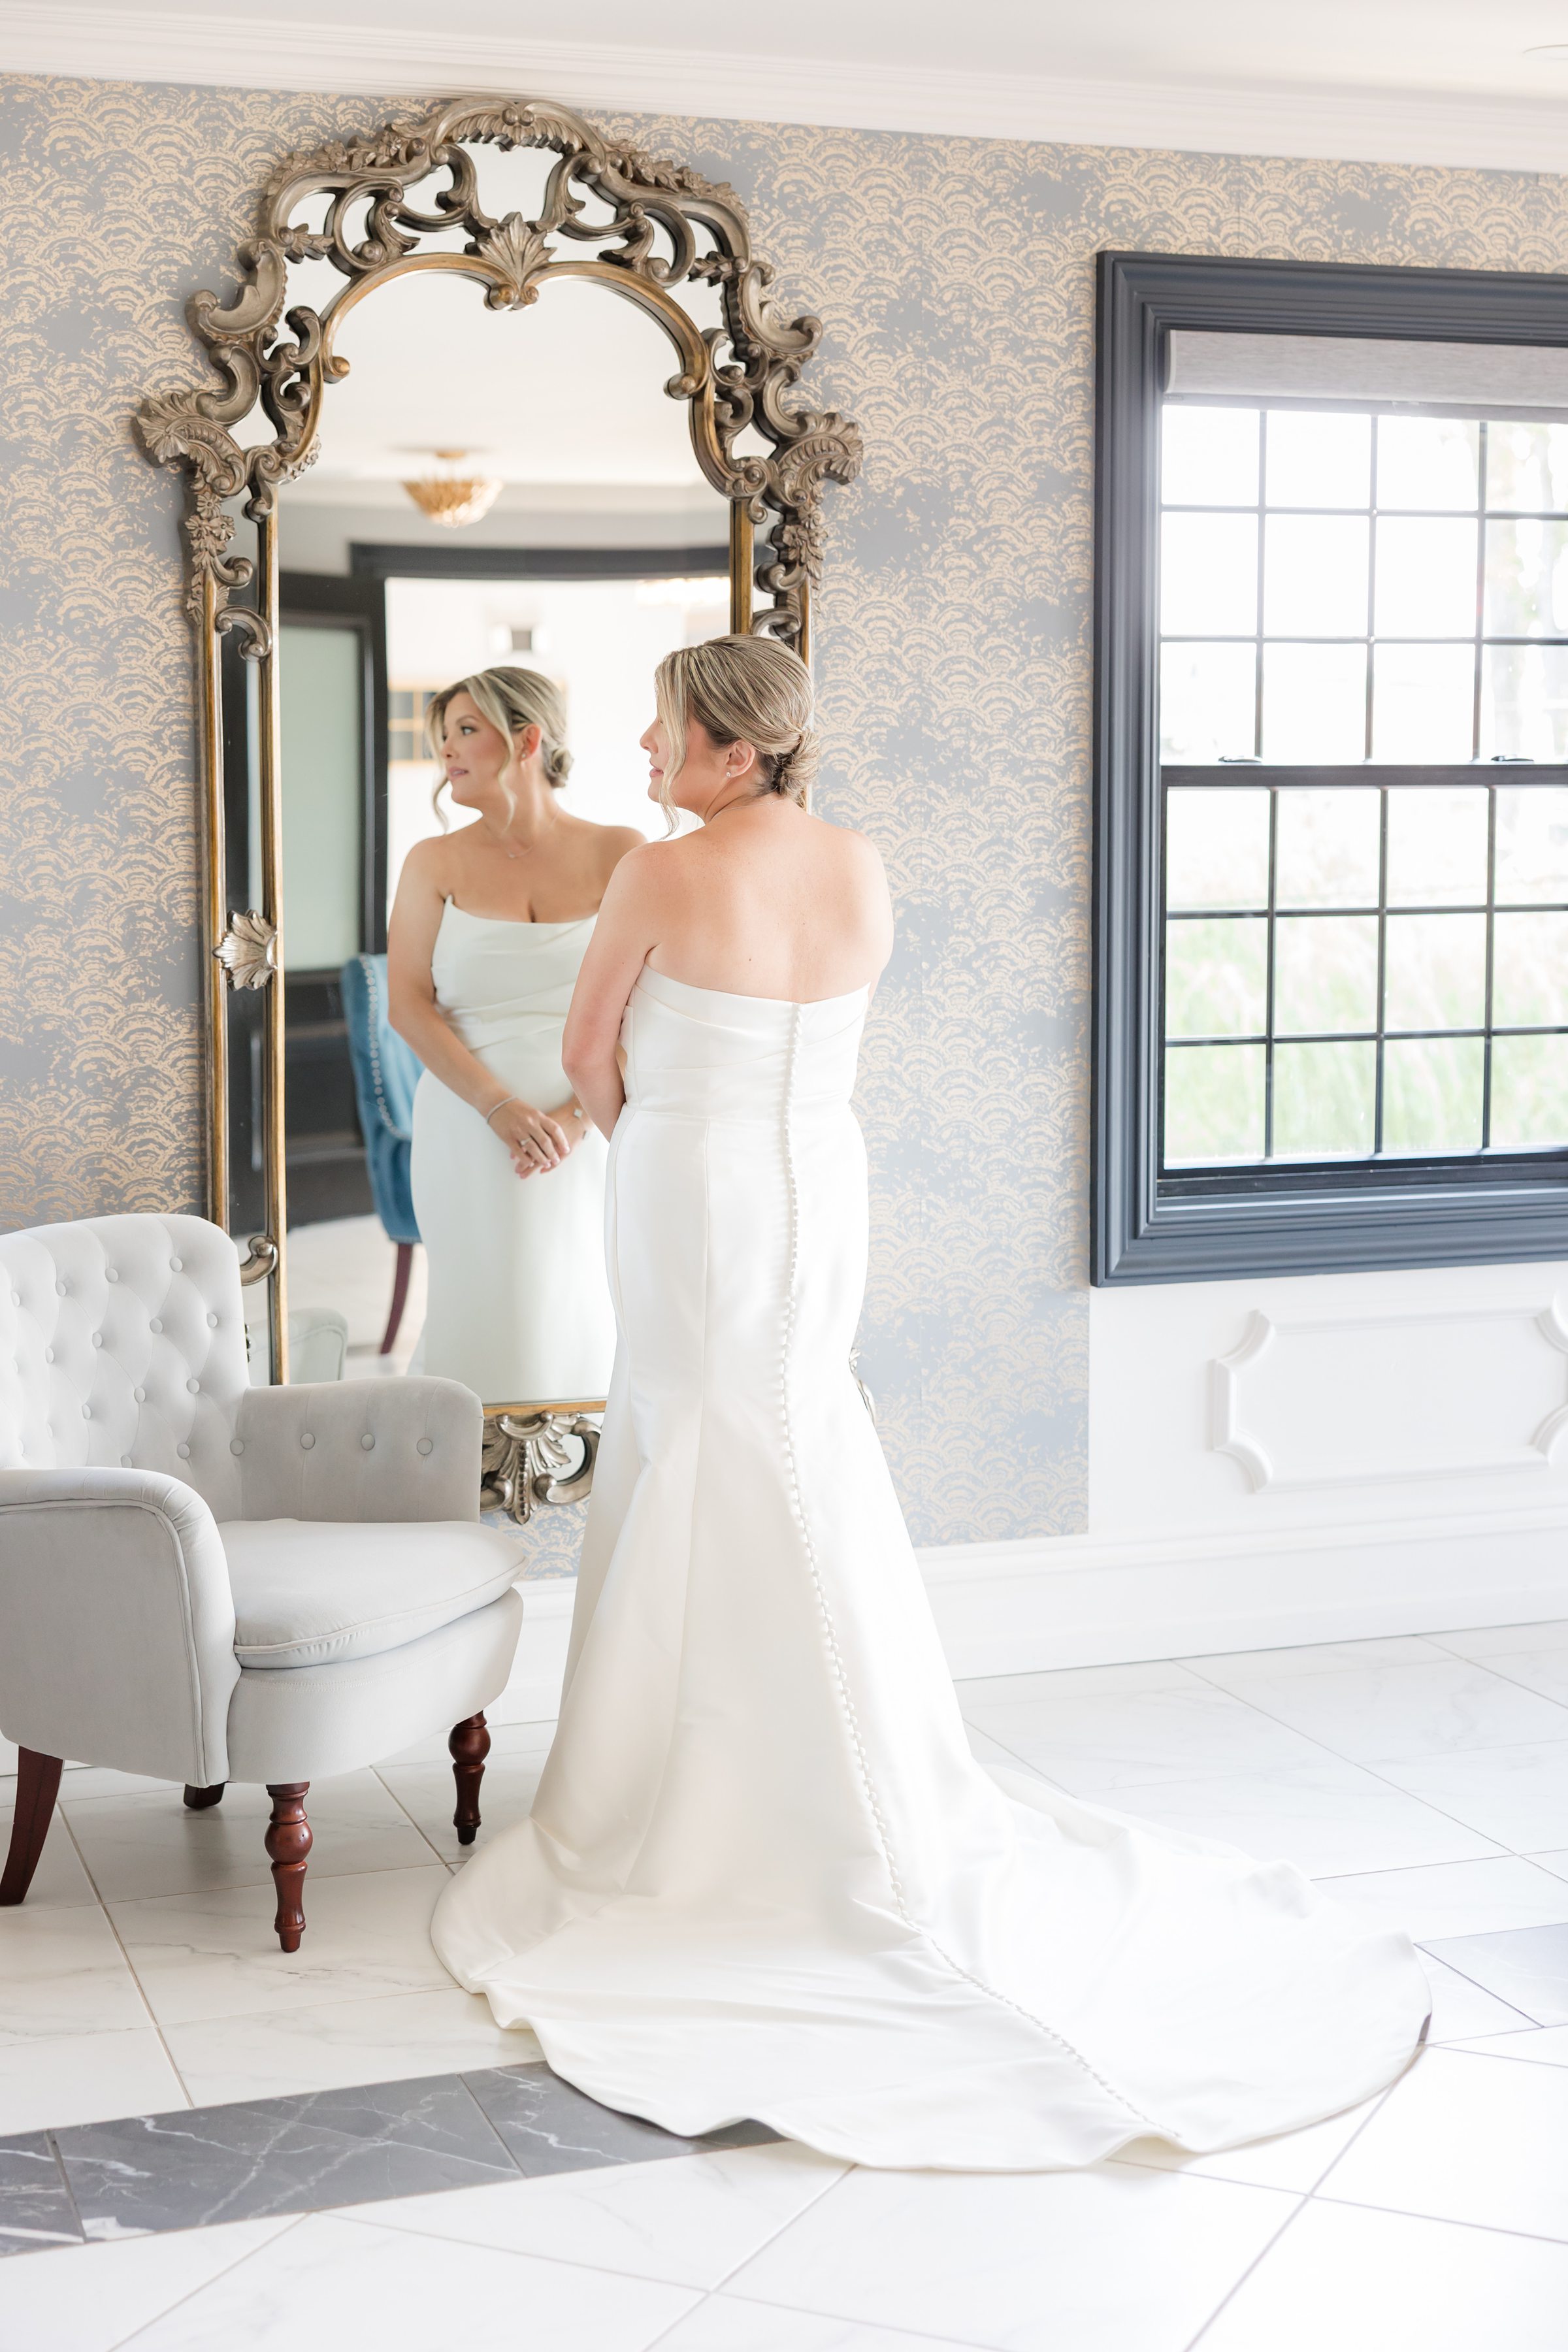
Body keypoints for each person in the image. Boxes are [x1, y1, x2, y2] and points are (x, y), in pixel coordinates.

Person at [431, 634, 1429, 2170]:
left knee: (695, 1437)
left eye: (665, 728)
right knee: (793, 1428)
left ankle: (687, 1808)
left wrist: (664, 1140)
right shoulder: (860, 868)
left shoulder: (660, 875)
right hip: (820, 1178)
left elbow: (587, 1061)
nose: (639, 746)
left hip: (693, 1181)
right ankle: (860, 1782)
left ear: (734, 750)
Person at [388, 666, 641, 1405]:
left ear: (527, 738)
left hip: (588, 1124)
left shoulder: (618, 851)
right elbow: (408, 1003)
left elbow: (642, 1008)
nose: (448, 752)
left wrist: (572, 1120)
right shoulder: (433, 861)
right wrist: (499, 1107)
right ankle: (459, 1470)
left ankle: (586, 1463)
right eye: (444, 738)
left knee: (578, 1299)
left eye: (466, 731)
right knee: (483, 1298)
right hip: (469, 1121)